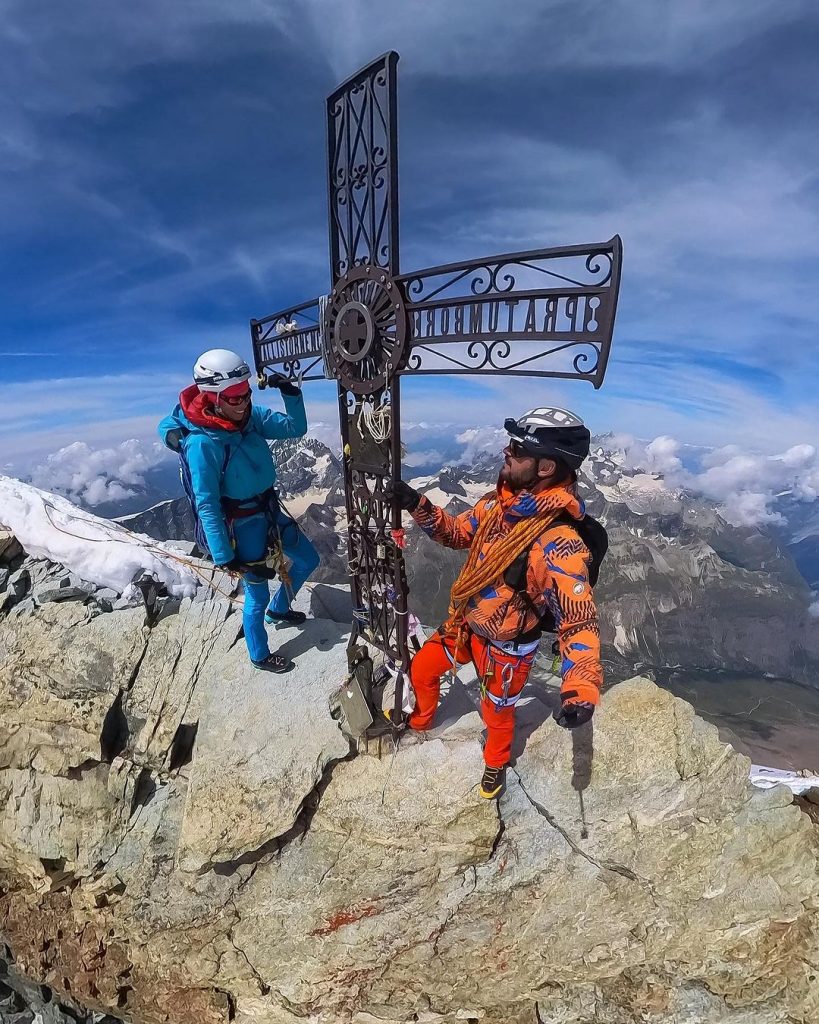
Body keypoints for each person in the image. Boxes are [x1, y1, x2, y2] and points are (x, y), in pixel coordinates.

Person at [385, 407, 603, 799]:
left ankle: (495, 764)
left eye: (518, 449)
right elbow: (454, 533)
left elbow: (579, 622)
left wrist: (581, 686)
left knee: (497, 713)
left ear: (545, 467)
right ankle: (420, 721)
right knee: (422, 668)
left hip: (508, 646)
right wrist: (416, 503)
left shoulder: (559, 543)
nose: (506, 451)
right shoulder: (497, 507)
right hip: (468, 624)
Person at [159, 349, 319, 671]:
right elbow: (207, 503)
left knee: (308, 559)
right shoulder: (203, 444)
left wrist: (291, 394)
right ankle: (259, 654)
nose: (243, 401)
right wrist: (227, 558)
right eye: (233, 396)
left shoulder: (249, 417)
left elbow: (294, 428)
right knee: (255, 596)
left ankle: (280, 608)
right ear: (212, 396)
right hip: (242, 526)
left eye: (245, 392)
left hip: (267, 510)